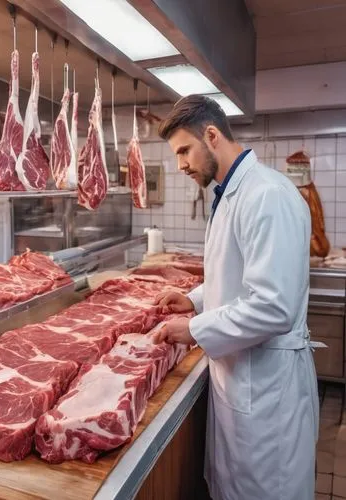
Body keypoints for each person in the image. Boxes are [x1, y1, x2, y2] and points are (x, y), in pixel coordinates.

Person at [152, 95, 319, 500]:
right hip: (245, 384)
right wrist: (194, 300)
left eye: (184, 151)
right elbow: (240, 277)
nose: (181, 165)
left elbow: (273, 307)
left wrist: (192, 329)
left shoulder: (266, 195)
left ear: (212, 135)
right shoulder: (232, 194)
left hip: (267, 394)